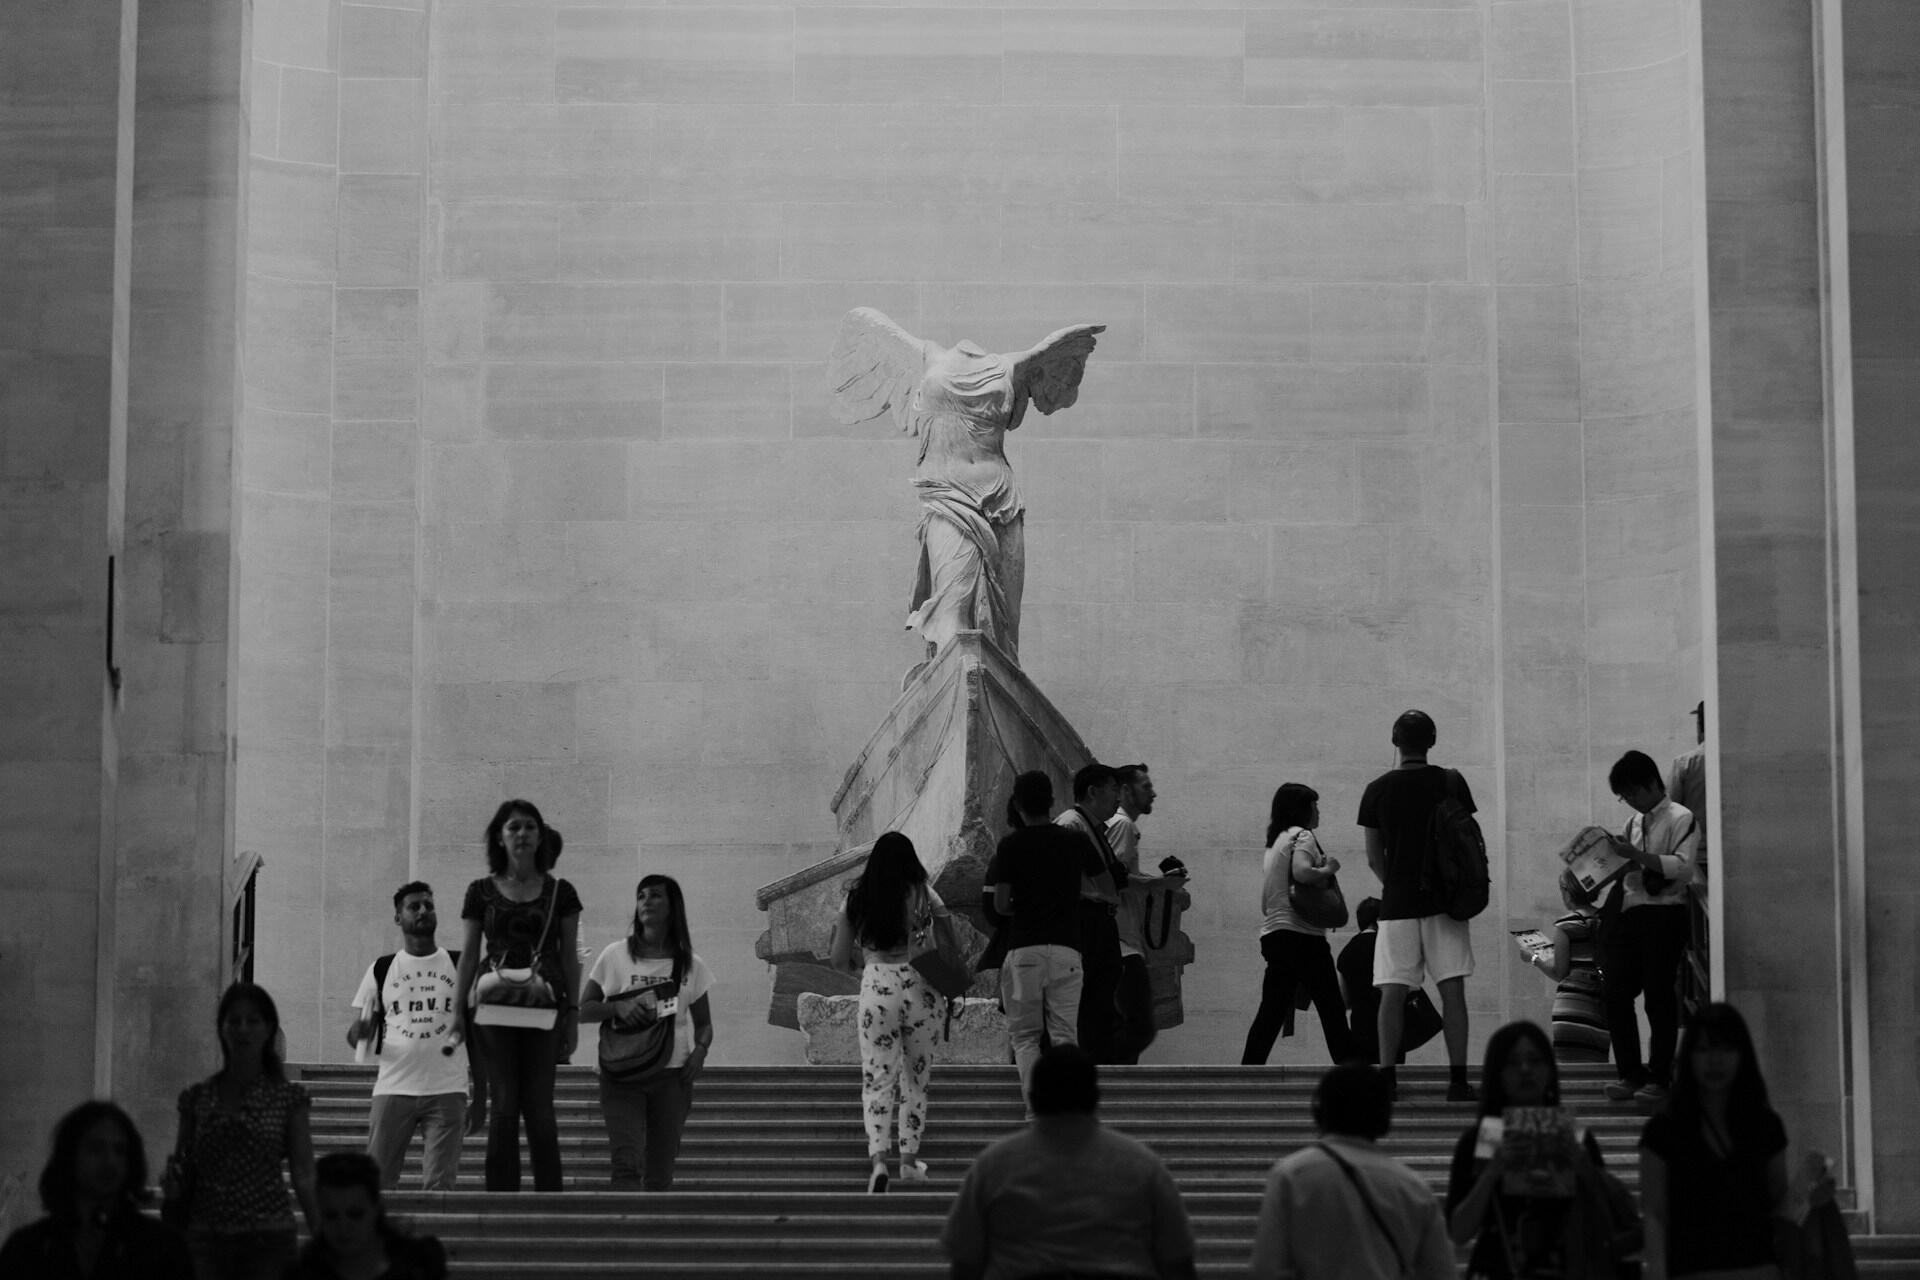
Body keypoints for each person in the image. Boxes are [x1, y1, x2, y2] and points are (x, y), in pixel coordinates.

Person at [826, 308, 1105, 664]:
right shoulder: (925, 357)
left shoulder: (1013, 367)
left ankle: (988, 695)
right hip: (947, 496)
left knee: (1005, 627)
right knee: (953, 601)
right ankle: (956, 684)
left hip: (1002, 501)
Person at [942, 1044, 1197, 1280]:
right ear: (1095, 1096)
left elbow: (965, 1259)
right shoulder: (1142, 1165)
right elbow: (1177, 1259)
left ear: (1033, 1096)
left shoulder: (993, 1166)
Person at [452, 798, 583, 1192]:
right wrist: (458, 1010)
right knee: (503, 1103)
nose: (522, 834)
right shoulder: (480, 891)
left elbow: (569, 957)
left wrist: (573, 1014)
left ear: (540, 835)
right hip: (492, 1007)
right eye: (513, 827)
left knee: (540, 1107)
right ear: (499, 836)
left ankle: (550, 1203)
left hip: (546, 1005)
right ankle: (501, 1202)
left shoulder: (561, 892)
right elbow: (470, 955)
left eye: (529, 826)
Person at [1358, 708, 1477, 1100]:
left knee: (1391, 993)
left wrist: (1396, 885)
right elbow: (1467, 844)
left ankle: (1388, 1077)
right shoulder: (1451, 782)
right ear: (1432, 741)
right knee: (1452, 992)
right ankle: (1458, 1081)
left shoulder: (1376, 789)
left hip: (1397, 905)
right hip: (1445, 903)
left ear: (1396, 740)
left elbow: (1375, 857)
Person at [164, 982, 318, 1280]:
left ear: (269, 1028)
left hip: (268, 1235)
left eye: (253, 1021)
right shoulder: (197, 1099)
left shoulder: (288, 1100)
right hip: (206, 1234)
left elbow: (305, 1174)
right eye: (234, 1021)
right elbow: (183, 1164)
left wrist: (323, 1238)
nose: (243, 1029)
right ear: (221, 1029)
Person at [1447, 1021, 1619, 1279]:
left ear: (1550, 1070)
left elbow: (1608, 1221)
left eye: (1535, 1060)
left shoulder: (1574, 1138)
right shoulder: (1480, 1140)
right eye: (1513, 1062)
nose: (1525, 1070)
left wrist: (1586, 1171)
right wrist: (1492, 1172)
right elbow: (1458, 1232)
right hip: (1498, 1267)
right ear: (1498, 1072)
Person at [1249, 1063, 1454, 1280]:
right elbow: (1441, 1272)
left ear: (1320, 1112)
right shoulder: (1413, 1188)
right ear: (1384, 1118)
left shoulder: (1290, 1176)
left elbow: (1266, 1268)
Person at [830, 830, 951, 1193]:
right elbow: (951, 943)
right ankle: (909, 1162)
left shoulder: (856, 899)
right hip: (921, 984)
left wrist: (865, 964)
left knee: (878, 1075)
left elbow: (837, 958)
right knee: (915, 1078)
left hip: (877, 983)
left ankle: (879, 1162)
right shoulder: (924, 895)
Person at [578, 874, 715, 1190]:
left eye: (655, 896)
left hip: (671, 1077)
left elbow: (705, 1023)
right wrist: (617, 1008)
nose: (646, 902)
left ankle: (654, 1236)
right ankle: (625, 1237)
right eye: (641, 896)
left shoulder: (690, 965)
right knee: (625, 1164)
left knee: (660, 1172)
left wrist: (700, 1051)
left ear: (672, 906)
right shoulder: (615, 956)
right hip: (621, 1075)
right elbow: (583, 1010)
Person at [1640, 1003, 1795, 1280]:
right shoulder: (1663, 1131)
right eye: (1704, 1050)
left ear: (1742, 1055)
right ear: (1689, 1057)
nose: (1715, 1060)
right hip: (1692, 1271)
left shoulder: (1765, 1126)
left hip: (1758, 1269)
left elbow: (1779, 1201)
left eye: (1726, 1049)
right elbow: (1655, 1214)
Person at [989, 769, 1104, 1108]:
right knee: (1065, 1035)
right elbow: (1106, 887)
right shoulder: (1074, 840)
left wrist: (1026, 905)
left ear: (1017, 805)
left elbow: (1000, 904)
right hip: (1067, 948)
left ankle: (1035, 1112)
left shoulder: (1010, 846)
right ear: (1052, 802)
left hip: (1024, 948)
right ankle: (1069, 1110)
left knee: (1025, 1038)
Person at [344, 881, 469, 1191]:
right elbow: (359, 1033)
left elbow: (475, 1032)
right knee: (377, 1182)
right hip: (393, 1086)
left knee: (441, 1187)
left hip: (447, 1088)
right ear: (398, 918)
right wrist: (357, 1032)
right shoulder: (382, 969)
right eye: (414, 906)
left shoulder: (460, 964)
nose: (424, 910)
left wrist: (482, 1089)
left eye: (429, 904)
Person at [0, 1101, 194, 1280]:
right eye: (96, 1148)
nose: (110, 1161)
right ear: (69, 1157)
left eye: (119, 1150)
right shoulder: (28, 1249)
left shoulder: (161, 1248)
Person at [1601, 750, 1699, 1101]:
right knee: (1615, 993)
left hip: (1664, 914)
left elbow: (1682, 867)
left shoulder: (1681, 817)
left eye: (1631, 793)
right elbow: (1631, 868)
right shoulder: (1633, 823)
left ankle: (1660, 1078)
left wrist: (1636, 857)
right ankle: (1630, 1073)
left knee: (1658, 997)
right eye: (1623, 796)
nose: (1629, 801)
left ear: (1651, 783)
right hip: (1630, 913)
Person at [1243, 782, 1355, 1065]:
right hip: (1302, 937)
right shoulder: (1303, 836)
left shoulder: (1277, 842)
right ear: (1302, 809)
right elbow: (1303, 873)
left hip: (1275, 934)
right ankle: (1351, 1072)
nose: (1318, 811)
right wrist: (1330, 868)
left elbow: (1265, 902)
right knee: (1331, 1007)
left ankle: (1249, 1069)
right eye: (1314, 805)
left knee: (1272, 1010)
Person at [1106, 763, 1187, 1064]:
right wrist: (1160, 883)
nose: (1153, 793)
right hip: (1120, 942)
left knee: (1125, 1023)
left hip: (1121, 940)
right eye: (1146, 786)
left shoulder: (1118, 826)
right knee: (1140, 1025)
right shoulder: (1123, 825)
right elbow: (1112, 877)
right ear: (1125, 790)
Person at [1055, 763, 1129, 1062]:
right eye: (1114, 790)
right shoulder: (1071, 824)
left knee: (1103, 991)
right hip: (1084, 917)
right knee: (1088, 996)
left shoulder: (1093, 826)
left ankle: (1098, 1056)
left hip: (1100, 917)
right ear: (1092, 791)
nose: (1118, 798)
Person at [288, 1152, 447, 1280]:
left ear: (376, 1208)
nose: (343, 1227)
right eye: (331, 1216)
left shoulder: (418, 1266)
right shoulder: (305, 1272)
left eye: (355, 1215)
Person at [1522, 872, 1610, 1065]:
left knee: (1570, 1070)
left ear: (1568, 892)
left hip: (1572, 1005)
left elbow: (1560, 972)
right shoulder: (1606, 920)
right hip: (1602, 1004)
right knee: (1597, 1068)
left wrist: (1534, 957)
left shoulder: (1566, 925)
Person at [1666, 703, 1707, 872]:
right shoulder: (1737, 763)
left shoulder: (1685, 764)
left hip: (1694, 857)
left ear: (1699, 726)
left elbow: (1669, 813)